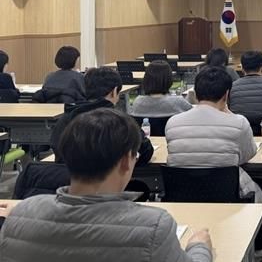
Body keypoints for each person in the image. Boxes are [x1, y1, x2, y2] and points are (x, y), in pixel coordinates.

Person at [0, 108, 212, 262]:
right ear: (125, 162)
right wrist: (199, 246)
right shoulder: (154, 226)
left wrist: (21, 214)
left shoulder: (20, 215)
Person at [165, 66, 262, 261]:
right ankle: (261, 249)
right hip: (227, 194)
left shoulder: (173, 122)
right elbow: (247, 156)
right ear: (227, 94)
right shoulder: (238, 122)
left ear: (196, 93)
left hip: (181, 195)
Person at [50, 67, 153, 166]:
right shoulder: (120, 121)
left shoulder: (65, 118)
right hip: (108, 176)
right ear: (114, 91)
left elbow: (58, 155)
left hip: (70, 176)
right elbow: (146, 150)